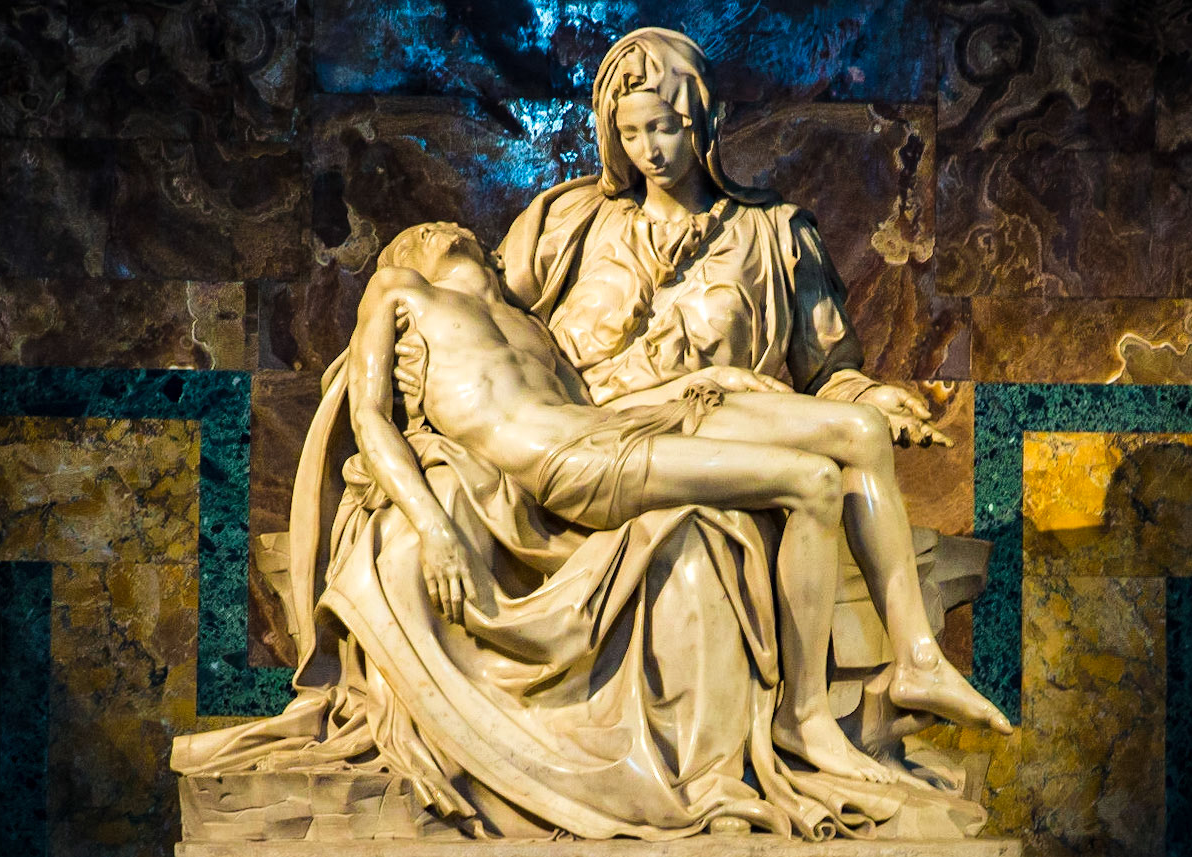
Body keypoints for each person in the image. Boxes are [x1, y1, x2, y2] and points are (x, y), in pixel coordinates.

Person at [356, 219, 1000, 786]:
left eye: (439, 226)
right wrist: (432, 526)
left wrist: (703, 380)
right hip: (566, 464)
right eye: (417, 234)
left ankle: (918, 658)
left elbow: (594, 408)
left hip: (603, 433)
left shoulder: (532, 330)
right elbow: (369, 418)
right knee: (813, 482)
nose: (434, 230)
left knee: (860, 432)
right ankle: (804, 718)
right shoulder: (398, 290)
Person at [492, 27, 1000, 736]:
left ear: (703, 121)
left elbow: (828, 372)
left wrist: (867, 393)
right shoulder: (564, 225)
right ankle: (831, 703)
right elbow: (478, 320)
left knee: (859, 428)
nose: (648, 150)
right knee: (802, 473)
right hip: (594, 436)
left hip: (712, 420)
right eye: (630, 132)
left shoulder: (775, 233)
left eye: (664, 128)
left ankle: (917, 660)